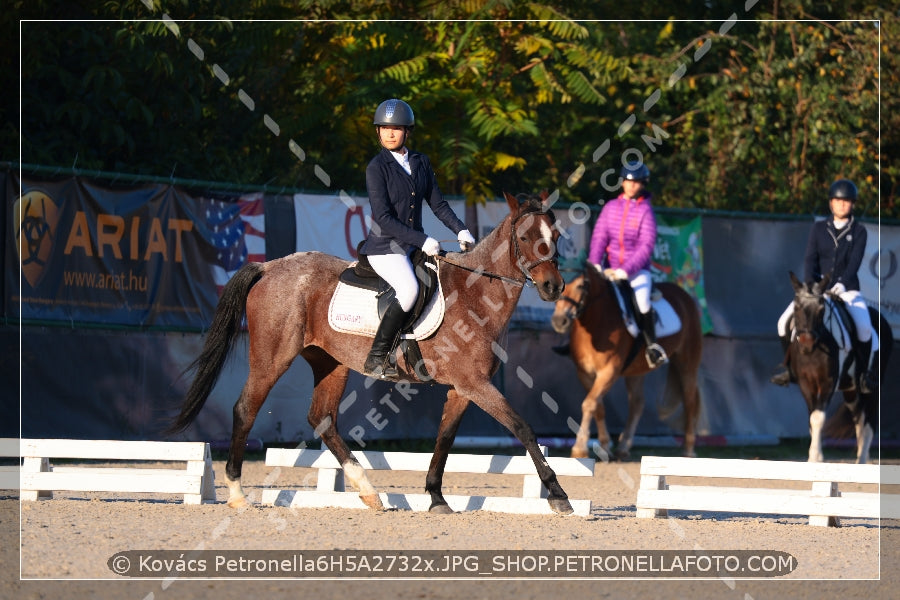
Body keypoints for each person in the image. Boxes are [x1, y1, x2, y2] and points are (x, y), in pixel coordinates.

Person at [359, 98, 476, 379]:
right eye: (384, 129)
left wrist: (460, 229)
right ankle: (376, 357)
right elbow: (384, 218)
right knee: (410, 289)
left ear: (407, 132)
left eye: (396, 129)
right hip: (386, 248)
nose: (389, 134)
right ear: (377, 132)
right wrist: (422, 239)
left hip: (412, 247)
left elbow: (438, 205)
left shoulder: (421, 162)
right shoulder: (376, 168)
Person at [770, 179, 879, 393]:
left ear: (852, 204)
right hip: (816, 291)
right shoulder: (818, 228)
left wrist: (841, 285)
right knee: (782, 323)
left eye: (846, 201)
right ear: (831, 203)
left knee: (866, 329)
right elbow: (810, 260)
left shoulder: (859, 231)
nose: (841, 205)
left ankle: (863, 375)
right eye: (837, 200)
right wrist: (811, 287)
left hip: (847, 290)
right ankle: (790, 370)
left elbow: (855, 263)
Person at [587, 160, 668, 368]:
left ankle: (652, 347)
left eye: (637, 182)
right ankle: (573, 343)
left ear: (643, 184)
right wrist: (595, 263)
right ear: (622, 183)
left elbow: (646, 245)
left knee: (642, 303)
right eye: (628, 182)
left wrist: (625, 270)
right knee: (586, 296)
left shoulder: (645, 211)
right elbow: (599, 237)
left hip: (636, 271)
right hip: (608, 268)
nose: (632, 186)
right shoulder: (610, 208)